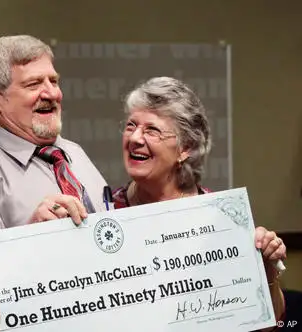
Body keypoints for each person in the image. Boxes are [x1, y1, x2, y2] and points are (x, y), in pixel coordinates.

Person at [112, 76, 287, 330]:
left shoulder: (224, 220)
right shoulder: (104, 211)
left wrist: (266, 272)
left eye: (152, 130)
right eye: (131, 126)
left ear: (186, 147)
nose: (135, 138)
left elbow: (269, 325)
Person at [0, 35, 108, 248]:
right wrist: (30, 238)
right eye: (33, 84)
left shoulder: (74, 154)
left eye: (53, 81)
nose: (52, 93)